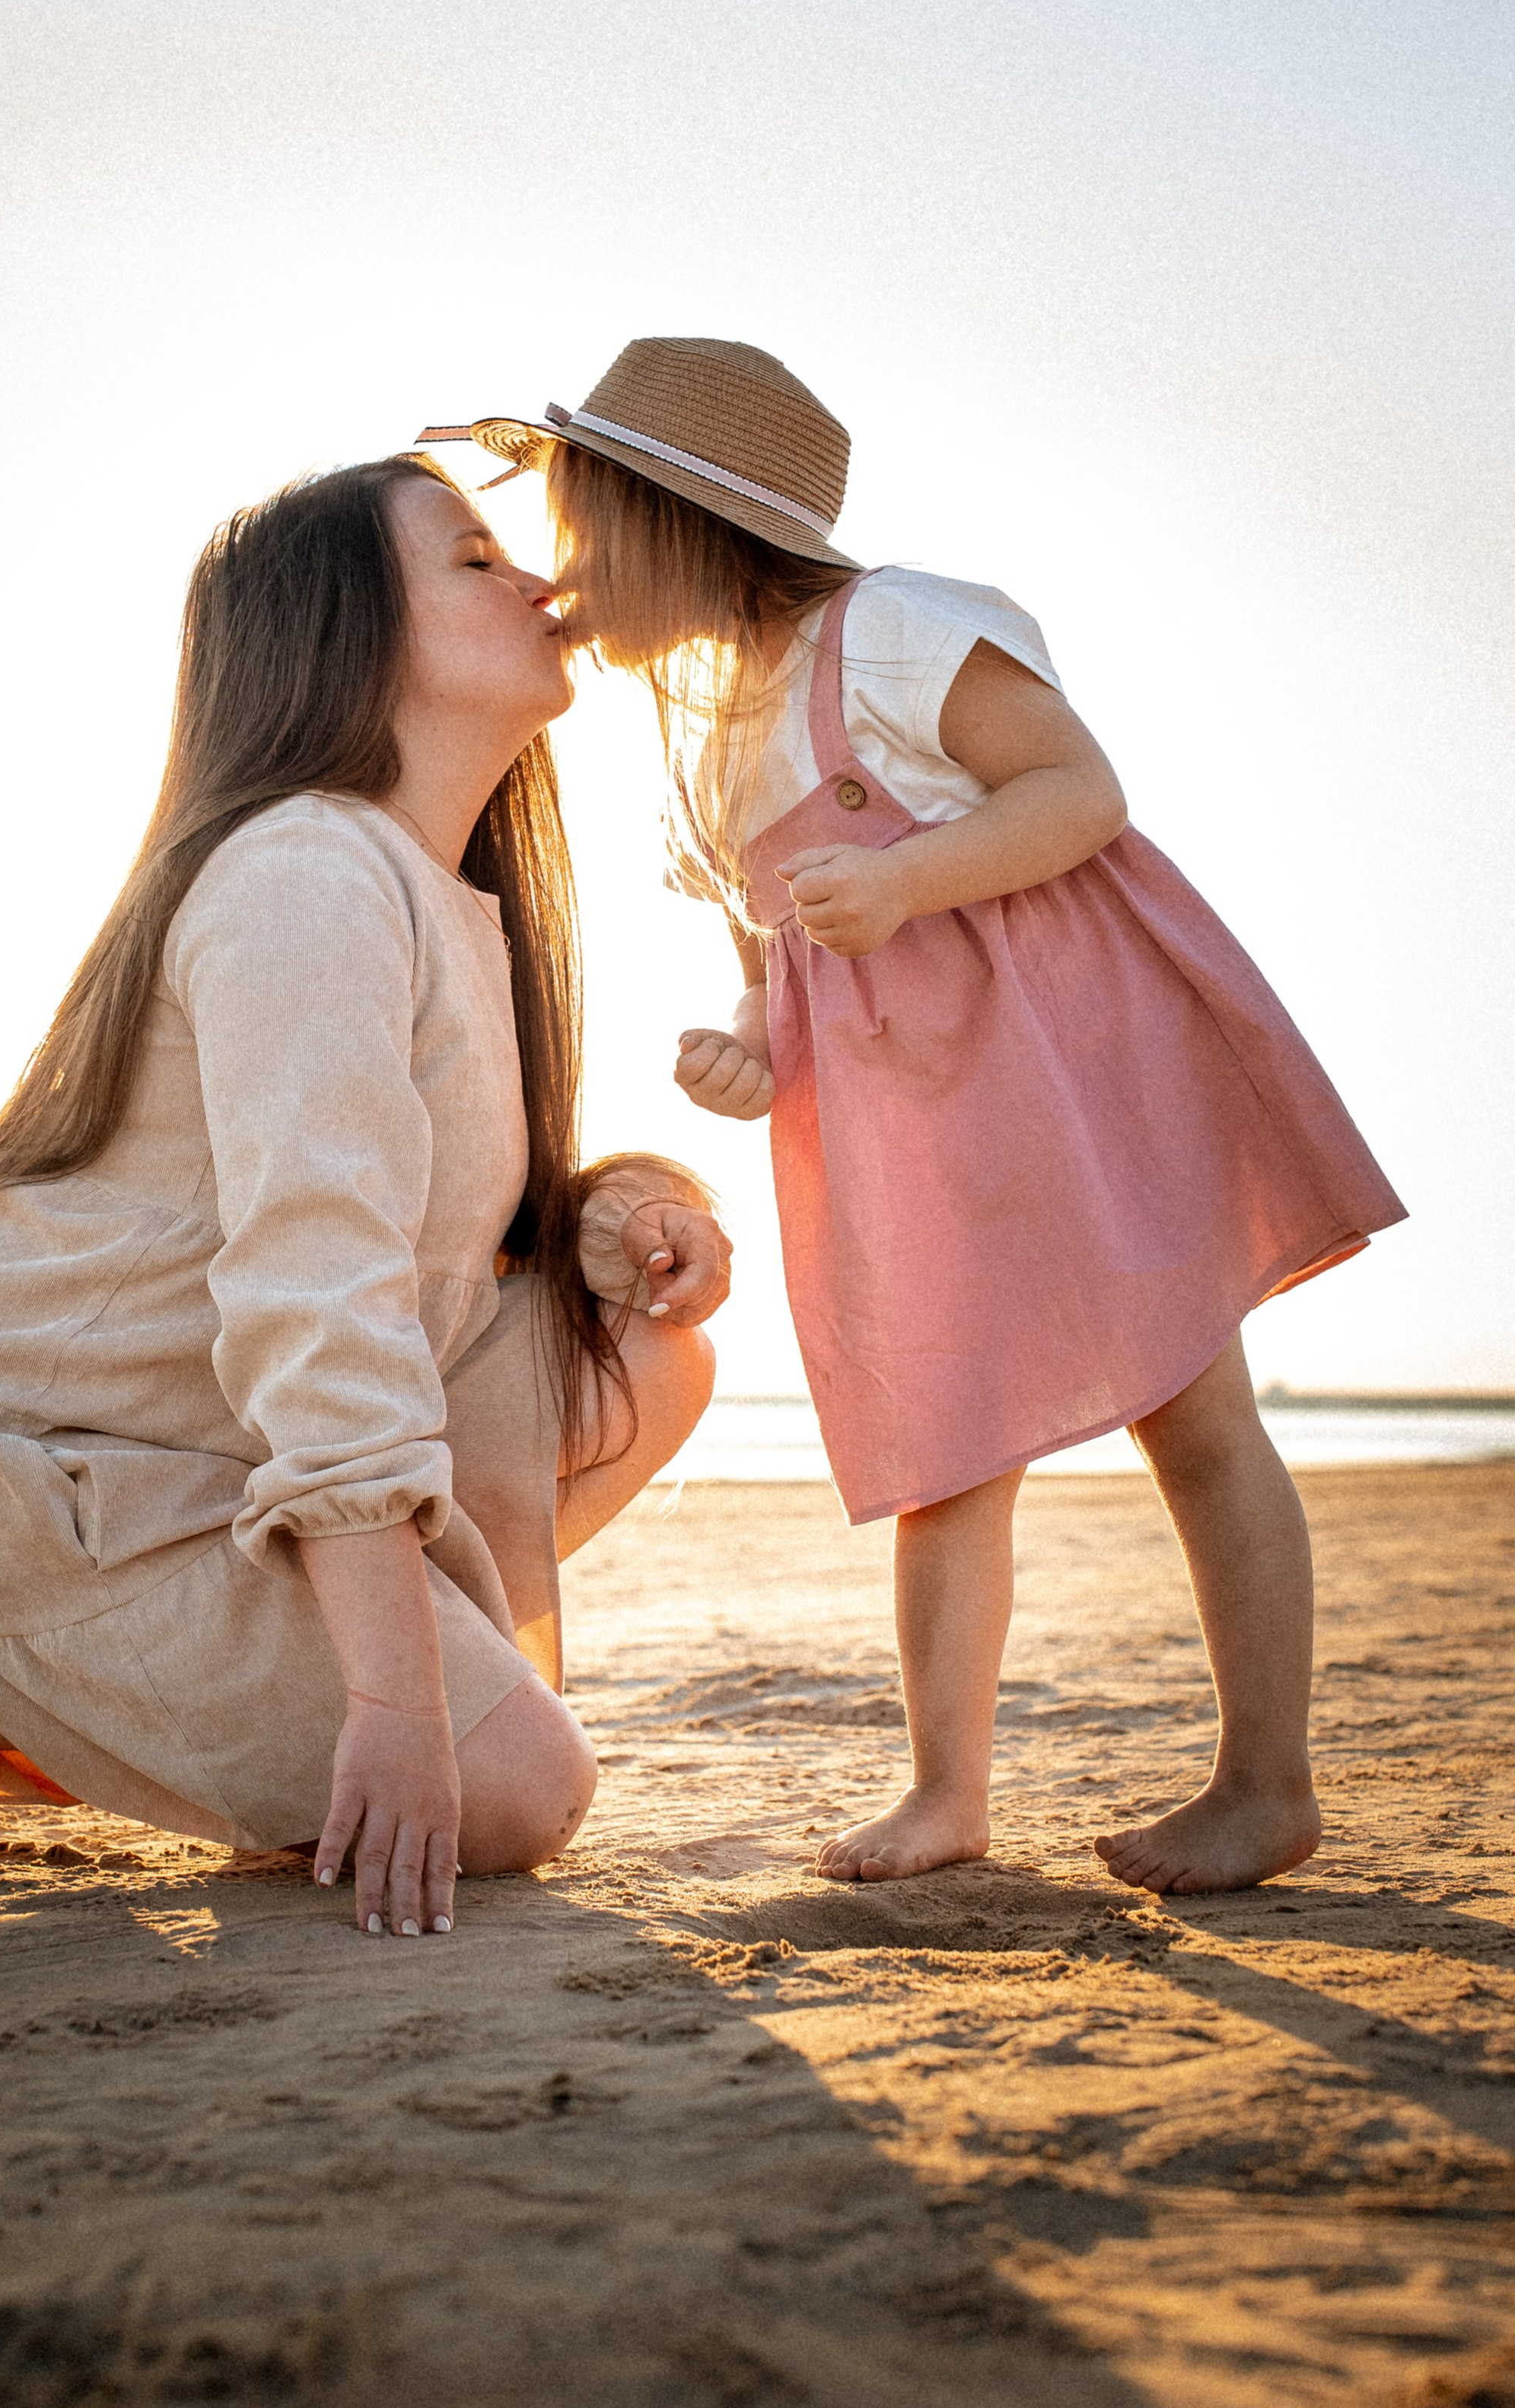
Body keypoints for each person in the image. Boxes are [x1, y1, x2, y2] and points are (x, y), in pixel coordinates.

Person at [420, 339, 1405, 1897]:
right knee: (942, 1444)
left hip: (1068, 1077)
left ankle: (1263, 1782)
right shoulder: (709, 737)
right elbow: (774, 954)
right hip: (916, 1130)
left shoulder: (888, 631)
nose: (562, 579)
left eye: (585, 537)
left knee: (1196, 1416)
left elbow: (1076, 790)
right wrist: (750, 1044)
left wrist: (903, 881)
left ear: (685, 526)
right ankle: (948, 1789)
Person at [0, 454, 729, 1938]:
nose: (536, 582)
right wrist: (395, 1704)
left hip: (217, 1429)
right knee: (521, 1792)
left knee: (653, 1355)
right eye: (474, 560)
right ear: (345, 632)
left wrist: (624, 1199)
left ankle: (303, 1653)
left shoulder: (437, 891)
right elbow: (315, 1282)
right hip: (51, 1464)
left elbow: (430, 1225)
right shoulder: (304, 872)